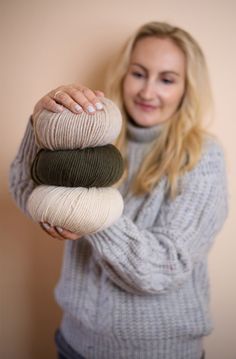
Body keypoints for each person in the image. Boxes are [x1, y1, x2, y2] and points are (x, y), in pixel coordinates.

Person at [9, 21, 228, 359]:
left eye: (167, 79)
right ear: (123, 74)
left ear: (187, 88)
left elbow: (164, 267)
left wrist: (91, 217)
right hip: (73, 345)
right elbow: (27, 191)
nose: (147, 91)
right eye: (138, 73)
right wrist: (41, 123)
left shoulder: (202, 157)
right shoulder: (91, 137)